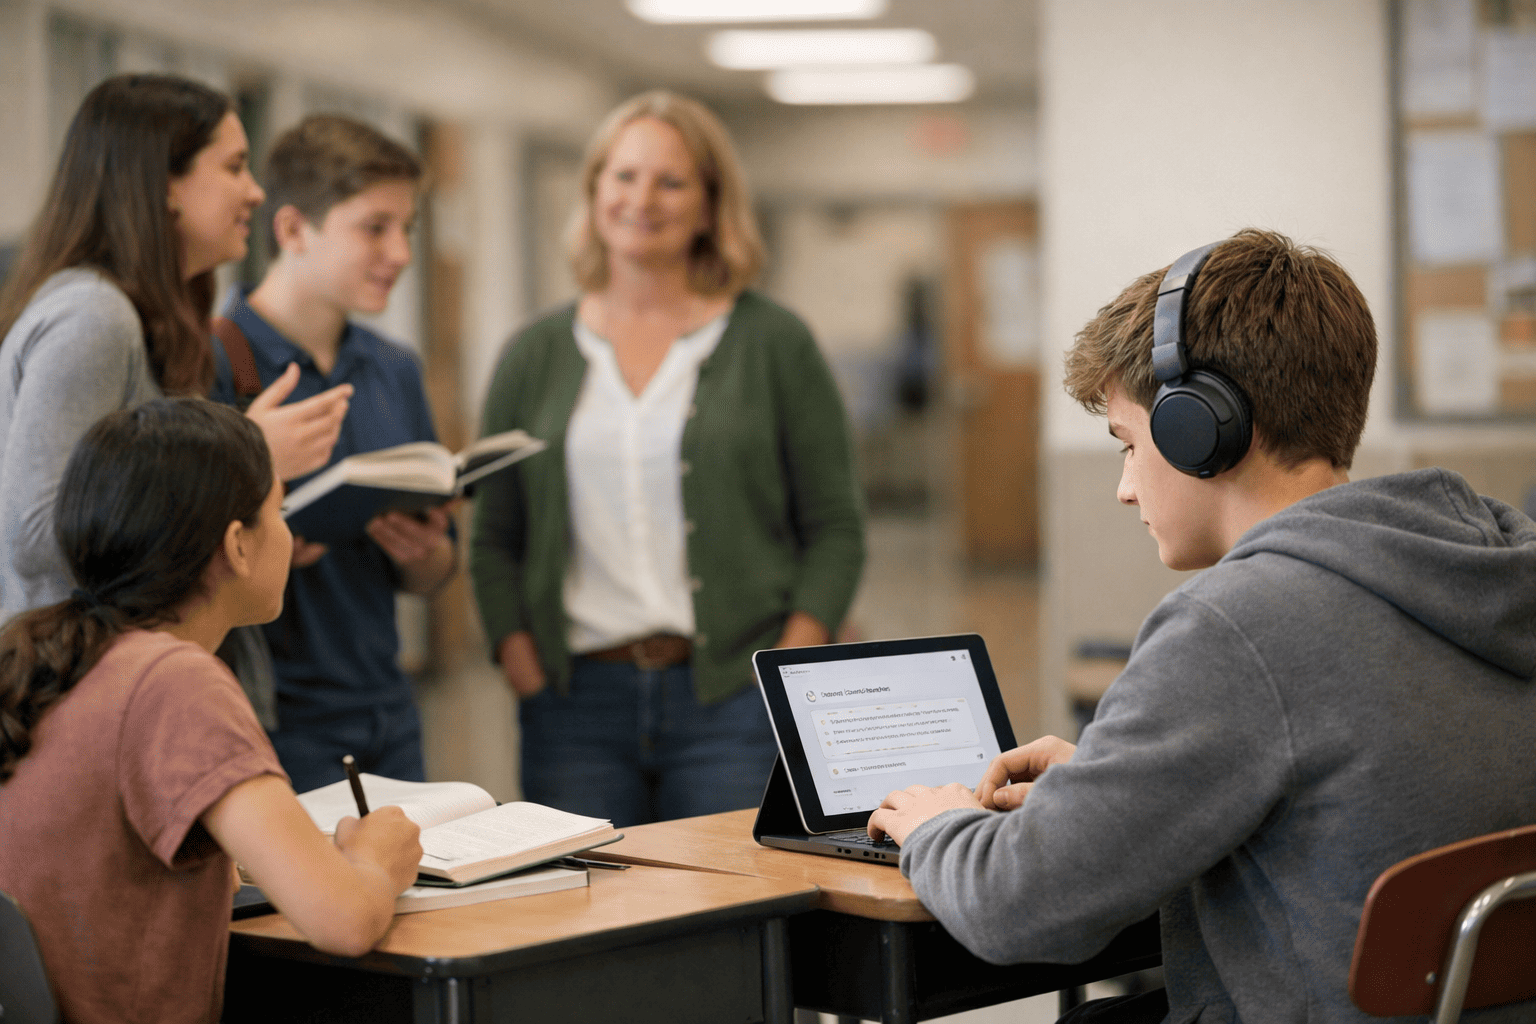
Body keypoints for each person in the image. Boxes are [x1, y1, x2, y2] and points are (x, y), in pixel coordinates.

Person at [867, 230, 1536, 1023]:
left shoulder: (1236, 627)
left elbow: (1020, 905)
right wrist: (1119, 787)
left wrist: (939, 825)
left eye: (1128, 445)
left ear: (1201, 429)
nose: (1124, 488)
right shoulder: (1491, 569)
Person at [471, 90, 864, 828]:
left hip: (734, 697)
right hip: (574, 705)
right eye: (623, 176)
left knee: (730, 891)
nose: (641, 200)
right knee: (584, 893)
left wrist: (790, 664)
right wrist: (519, 660)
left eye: (671, 181)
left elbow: (836, 525)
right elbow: (495, 534)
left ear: (711, 205)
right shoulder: (533, 353)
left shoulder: (775, 343)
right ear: (594, 191)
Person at [0, 398, 422, 1024]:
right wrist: (374, 860)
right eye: (279, 511)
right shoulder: (174, 682)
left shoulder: (53, 655)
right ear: (237, 545)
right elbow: (343, 921)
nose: (287, 532)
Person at [0, 73, 351, 627]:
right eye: (234, 167)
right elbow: (37, 538)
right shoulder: (94, 317)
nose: (256, 192)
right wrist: (243, 460)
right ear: (165, 184)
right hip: (80, 667)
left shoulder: (148, 315)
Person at [211, 114, 455, 794]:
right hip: (269, 720)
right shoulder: (210, 362)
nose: (400, 253)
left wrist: (425, 552)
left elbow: (436, 572)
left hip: (390, 709)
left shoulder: (394, 368)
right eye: (375, 227)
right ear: (293, 230)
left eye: (406, 228)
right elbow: (169, 561)